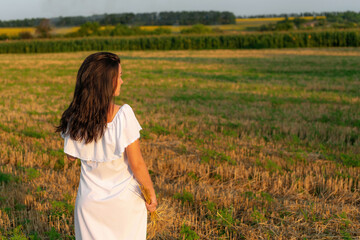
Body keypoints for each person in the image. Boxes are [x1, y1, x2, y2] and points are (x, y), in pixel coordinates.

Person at [56, 52, 157, 240]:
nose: (122, 81)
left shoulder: (75, 118)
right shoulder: (123, 115)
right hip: (124, 205)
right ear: (107, 82)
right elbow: (137, 164)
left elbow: (71, 156)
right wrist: (150, 192)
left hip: (90, 204)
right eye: (119, 76)